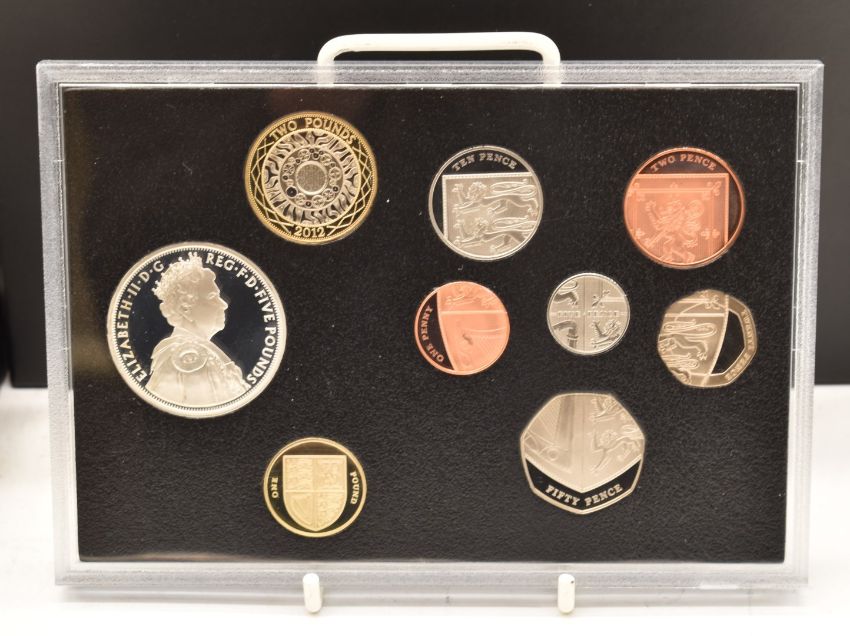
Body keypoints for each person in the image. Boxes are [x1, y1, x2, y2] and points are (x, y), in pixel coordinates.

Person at [146, 254, 249, 407]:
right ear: (185, 309)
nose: (224, 304)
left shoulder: (202, 352)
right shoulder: (186, 359)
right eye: (212, 297)